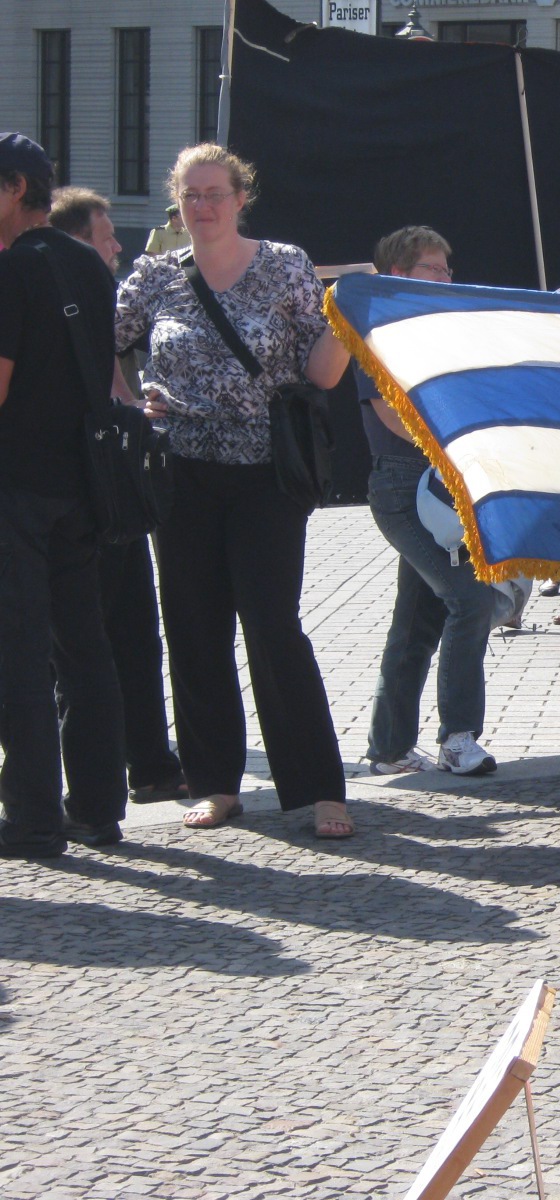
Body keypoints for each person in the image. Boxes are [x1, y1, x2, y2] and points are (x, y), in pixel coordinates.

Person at [114, 143, 355, 837]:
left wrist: (351, 322)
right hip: (181, 469)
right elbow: (102, 342)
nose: (204, 206)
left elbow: (323, 371)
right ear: (177, 202)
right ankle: (216, 781)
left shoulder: (284, 265)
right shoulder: (154, 275)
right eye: (191, 194)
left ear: (241, 197)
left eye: (215, 192)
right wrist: (128, 401)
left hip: (265, 473)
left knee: (273, 626)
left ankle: (318, 788)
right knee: (193, 627)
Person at [0, 132, 128, 856]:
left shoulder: (13, 269)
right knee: (85, 648)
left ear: (16, 188)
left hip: (16, 483)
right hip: (84, 481)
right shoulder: (87, 263)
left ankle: (33, 820)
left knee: (18, 654)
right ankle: (99, 807)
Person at [360, 226, 518, 779]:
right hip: (407, 491)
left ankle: (389, 747)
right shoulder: (379, 331)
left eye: (448, 269)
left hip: (442, 488)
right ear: (402, 274)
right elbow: (386, 412)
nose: (447, 278)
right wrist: (454, 442)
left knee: (417, 621)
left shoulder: (440, 333)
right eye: (436, 268)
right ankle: (458, 737)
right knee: (469, 602)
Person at [48, 186, 187, 805]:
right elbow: (106, 394)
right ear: (78, 241)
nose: (117, 247)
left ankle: (150, 765)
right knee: (107, 639)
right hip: (93, 495)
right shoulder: (71, 299)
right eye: (106, 237)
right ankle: (134, 771)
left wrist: (139, 409)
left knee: (126, 634)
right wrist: (138, 414)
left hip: (101, 492)